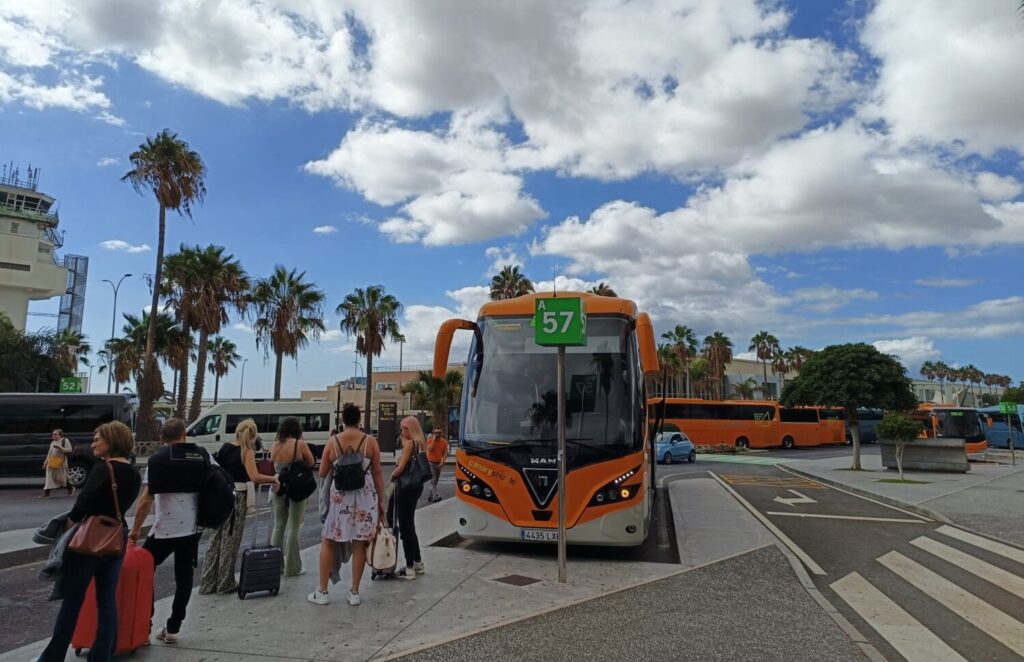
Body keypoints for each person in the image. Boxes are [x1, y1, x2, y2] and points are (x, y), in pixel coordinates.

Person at [37, 421, 141, 662]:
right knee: (106, 600)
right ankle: (101, 656)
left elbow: (81, 506)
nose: (93, 444)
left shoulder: (103, 469)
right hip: (116, 536)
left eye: (97, 440)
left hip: (90, 538)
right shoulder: (134, 473)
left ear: (112, 441)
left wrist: (66, 531)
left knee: (73, 601)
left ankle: (52, 657)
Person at [129, 418, 210, 645]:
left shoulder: (158, 460)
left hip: (165, 528)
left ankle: (144, 628)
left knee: (145, 571)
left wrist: (135, 530)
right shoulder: (203, 455)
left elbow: (146, 500)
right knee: (184, 575)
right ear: (184, 434)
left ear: (162, 438)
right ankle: (174, 628)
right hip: (193, 527)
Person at [309, 404, 385, 606]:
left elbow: (322, 472)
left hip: (340, 499)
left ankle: (323, 591)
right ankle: (354, 592)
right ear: (359, 420)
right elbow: (378, 473)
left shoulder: (333, 442)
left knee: (328, 541)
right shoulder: (370, 442)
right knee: (359, 543)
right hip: (365, 497)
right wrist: (381, 501)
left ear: (343, 420)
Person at [198, 419, 278, 594]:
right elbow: (254, 477)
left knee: (215, 540)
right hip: (237, 497)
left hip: (221, 494)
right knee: (230, 540)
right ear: (253, 435)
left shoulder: (225, 447)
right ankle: (225, 583)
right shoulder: (246, 451)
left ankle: (207, 583)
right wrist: (273, 478)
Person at [270, 417, 315, 577]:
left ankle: (275, 565)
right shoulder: (299, 444)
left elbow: (271, 461)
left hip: (278, 486)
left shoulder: (275, 444)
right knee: (294, 526)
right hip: (296, 486)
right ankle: (292, 567)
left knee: (278, 526)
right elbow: (311, 462)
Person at [390, 416, 427, 579]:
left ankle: (409, 566)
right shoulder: (420, 443)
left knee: (405, 526)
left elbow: (400, 468)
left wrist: (393, 475)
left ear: (409, 429)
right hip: (416, 486)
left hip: (405, 487)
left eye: (403, 428)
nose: (401, 431)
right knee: (410, 524)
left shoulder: (411, 444)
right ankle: (418, 562)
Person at [41, 429, 75, 498]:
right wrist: (45, 462)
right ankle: (46, 493)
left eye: (55, 434)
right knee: (49, 477)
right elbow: (49, 454)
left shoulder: (65, 440)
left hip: (60, 462)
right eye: (53, 434)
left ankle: (70, 487)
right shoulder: (52, 442)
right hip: (51, 461)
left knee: (61, 478)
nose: (53, 435)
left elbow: (69, 450)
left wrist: (60, 448)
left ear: (60, 435)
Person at [425, 427, 449, 503]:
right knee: (433, 480)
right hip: (431, 463)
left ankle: (431, 496)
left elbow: (445, 453)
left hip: (438, 463)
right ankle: (435, 496)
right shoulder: (429, 440)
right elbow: (430, 449)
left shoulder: (444, 442)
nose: (438, 434)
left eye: (439, 432)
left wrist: (442, 462)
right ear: (433, 433)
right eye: (436, 433)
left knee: (436, 481)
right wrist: (434, 440)